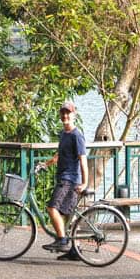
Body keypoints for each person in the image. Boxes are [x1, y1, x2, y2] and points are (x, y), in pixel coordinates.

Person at [38, 100, 88, 253]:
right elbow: (60, 154)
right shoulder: (64, 134)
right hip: (64, 177)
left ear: (74, 115)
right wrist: (46, 164)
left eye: (68, 112)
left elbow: (83, 159)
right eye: (63, 112)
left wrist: (85, 183)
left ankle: (61, 240)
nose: (65, 115)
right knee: (67, 215)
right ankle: (75, 251)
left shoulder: (76, 136)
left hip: (70, 180)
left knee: (52, 208)